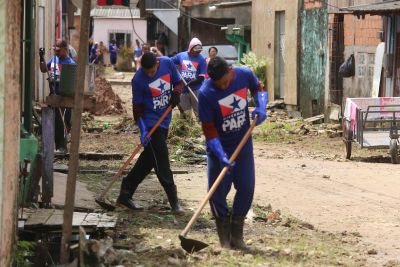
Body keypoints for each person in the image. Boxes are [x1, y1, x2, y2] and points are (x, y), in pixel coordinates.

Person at [198, 56, 267, 250]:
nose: (223, 86)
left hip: (243, 145)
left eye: (226, 82)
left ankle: (237, 237)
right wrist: (221, 155)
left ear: (230, 71)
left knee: (246, 187)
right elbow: (209, 129)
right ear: (212, 80)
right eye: (219, 84)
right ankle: (224, 240)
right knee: (217, 193)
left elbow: (258, 88)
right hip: (218, 149)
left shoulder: (243, 74)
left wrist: (261, 107)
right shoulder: (206, 93)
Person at [116, 52, 185, 213]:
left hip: (164, 121)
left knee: (148, 161)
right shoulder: (138, 80)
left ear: (157, 63)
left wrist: (176, 94)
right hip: (151, 125)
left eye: (152, 71)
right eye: (146, 72)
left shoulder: (167, 63)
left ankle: (125, 193)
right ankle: (174, 201)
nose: (149, 74)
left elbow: (178, 82)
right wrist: (143, 130)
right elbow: (137, 110)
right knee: (162, 163)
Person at [39, 40, 77, 153]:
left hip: (64, 96)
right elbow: (43, 69)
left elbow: (71, 83)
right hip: (53, 94)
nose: (56, 52)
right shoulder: (54, 60)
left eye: (58, 50)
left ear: (65, 49)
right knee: (55, 121)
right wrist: (41, 58)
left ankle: (62, 146)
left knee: (63, 121)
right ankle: (56, 146)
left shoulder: (70, 64)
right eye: (55, 49)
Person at [171, 37, 207, 118]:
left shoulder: (201, 59)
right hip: (183, 90)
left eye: (199, 51)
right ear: (190, 48)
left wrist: (192, 82)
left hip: (196, 90)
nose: (198, 52)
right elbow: (170, 62)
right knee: (185, 114)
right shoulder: (181, 56)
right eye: (196, 50)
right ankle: (186, 128)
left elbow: (201, 77)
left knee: (199, 114)